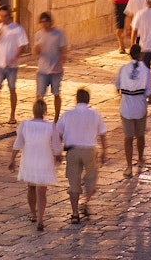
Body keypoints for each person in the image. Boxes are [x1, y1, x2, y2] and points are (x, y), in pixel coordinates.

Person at [56, 87, 108, 222]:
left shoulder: (67, 114)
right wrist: (104, 151)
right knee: (91, 179)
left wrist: (57, 152)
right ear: (88, 100)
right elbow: (102, 134)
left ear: (76, 99)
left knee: (73, 183)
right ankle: (85, 202)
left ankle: (74, 214)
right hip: (90, 150)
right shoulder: (95, 114)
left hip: (72, 151)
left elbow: (59, 134)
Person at [9, 99, 61, 230]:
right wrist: (58, 155)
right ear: (45, 111)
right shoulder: (50, 126)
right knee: (42, 191)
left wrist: (12, 159)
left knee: (31, 187)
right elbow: (56, 144)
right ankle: (41, 219)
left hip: (29, 158)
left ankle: (33, 214)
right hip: (44, 159)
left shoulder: (25, 124)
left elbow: (18, 143)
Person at [114, 45, 151, 174]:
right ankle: (140, 157)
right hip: (140, 107)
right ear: (141, 55)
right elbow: (149, 92)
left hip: (126, 108)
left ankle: (129, 166)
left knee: (128, 138)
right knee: (140, 135)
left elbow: (117, 87)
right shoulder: (146, 70)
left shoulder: (123, 69)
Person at [0, 5, 27, 124]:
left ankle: (12, 115)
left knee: (12, 89)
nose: (2, 18)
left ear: (10, 16)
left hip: (11, 66)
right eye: (0, 16)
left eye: (5, 16)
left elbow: (22, 45)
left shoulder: (17, 29)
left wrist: (15, 57)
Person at [33, 12, 68, 120]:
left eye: (46, 21)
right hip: (42, 70)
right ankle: (39, 115)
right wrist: (37, 48)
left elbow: (63, 50)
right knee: (39, 95)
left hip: (55, 70)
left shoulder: (59, 33)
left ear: (50, 22)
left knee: (56, 93)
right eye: (42, 22)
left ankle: (56, 117)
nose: (44, 24)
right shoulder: (38, 35)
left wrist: (61, 62)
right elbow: (35, 52)